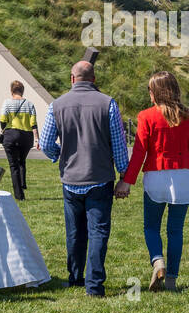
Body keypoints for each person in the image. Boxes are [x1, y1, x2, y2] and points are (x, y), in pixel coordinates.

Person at [40, 60, 129, 297]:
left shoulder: (56, 105)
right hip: (100, 177)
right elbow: (119, 144)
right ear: (94, 79)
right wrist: (124, 174)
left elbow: (46, 143)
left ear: (72, 78)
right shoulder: (108, 103)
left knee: (74, 232)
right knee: (98, 232)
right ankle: (94, 284)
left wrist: (60, 156)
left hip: (71, 179)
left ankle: (75, 277)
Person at [116, 71, 189, 292]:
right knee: (176, 230)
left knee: (151, 227)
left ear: (156, 92)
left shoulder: (146, 115)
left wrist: (127, 181)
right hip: (183, 176)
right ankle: (172, 279)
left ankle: (158, 261)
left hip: (156, 175)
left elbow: (139, 152)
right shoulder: (188, 115)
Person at [0, 80, 38, 200]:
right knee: (22, 161)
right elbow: (33, 124)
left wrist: (3, 129)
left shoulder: (7, 103)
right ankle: (22, 184)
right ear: (22, 91)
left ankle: (19, 195)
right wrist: (37, 140)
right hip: (27, 137)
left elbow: (3, 120)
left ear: (12, 91)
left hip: (11, 135)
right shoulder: (30, 104)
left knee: (13, 165)